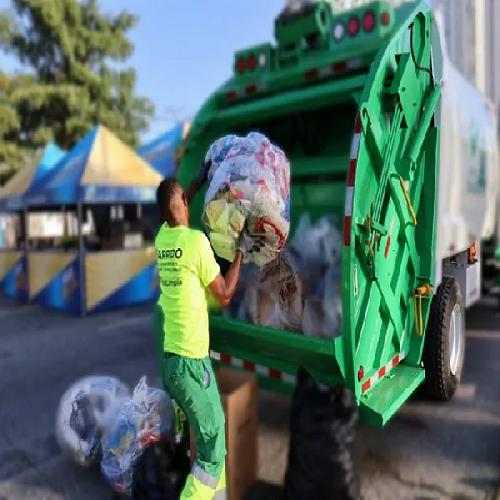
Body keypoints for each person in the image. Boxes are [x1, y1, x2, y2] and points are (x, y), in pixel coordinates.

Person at [154, 165, 245, 500]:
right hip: (189, 364)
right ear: (184, 204)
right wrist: (242, 250)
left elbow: (175, 207)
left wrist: (195, 182)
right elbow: (225, 295)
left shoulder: (163, 238)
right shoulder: (196, 243)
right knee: (213, 448)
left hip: (174, 362)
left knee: (210, 439)